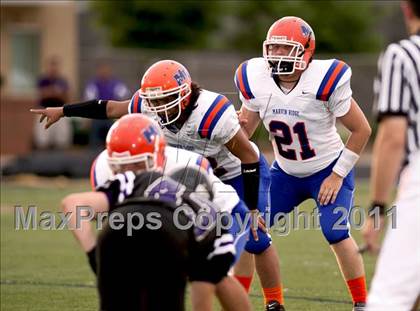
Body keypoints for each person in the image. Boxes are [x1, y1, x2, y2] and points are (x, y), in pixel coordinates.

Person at [31, 60, 284, 310]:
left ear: (184, 95)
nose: (158, 107)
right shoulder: (145, 109)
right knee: (203, 263)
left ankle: (275, 302)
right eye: (154, 101)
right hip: (189, 177)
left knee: (253, 237)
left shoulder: (212, 112)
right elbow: (109, 109)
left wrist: (252, 208)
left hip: (235, 172)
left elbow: (248, 156)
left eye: (165, 99)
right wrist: (63, 111)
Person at [235, 16, 372, 311]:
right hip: (284, 171)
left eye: (286, 49)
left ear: (306, 52)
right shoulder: (255, 78)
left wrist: (337, 176)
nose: (278, 55)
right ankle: (270, 303)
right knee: (252, 229)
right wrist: (233, 127)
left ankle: (362, 303)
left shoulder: (325, 79)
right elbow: (245, 133)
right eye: (274, 48)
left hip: (327, 168)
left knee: (335, 231)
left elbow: (362, 130)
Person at [62, 114, 252, 311]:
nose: (129, 169)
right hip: (177, 238)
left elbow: (74, 205)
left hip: (120, 237)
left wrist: (94, 253)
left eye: (137, 164)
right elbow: (204, 290)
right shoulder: (208, 218)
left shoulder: (135, 178)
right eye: (122, 165)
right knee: (214, 276)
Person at [362, 1, 420, 310]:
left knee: (389, 300)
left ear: (407, 9)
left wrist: (377, 208)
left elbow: (392, 137)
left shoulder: (402, 55)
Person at [84, 62, 129, 148]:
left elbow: (125, 96)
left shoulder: (116, 84)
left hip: (112, 116)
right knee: (95, 141)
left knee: (113, 138)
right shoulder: (93, 84)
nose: (104, 72)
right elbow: (89, 100)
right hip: (97, 116)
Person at [33, 56, 72, 149]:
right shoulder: (43, 80)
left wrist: (52, 92)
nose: (53, 68)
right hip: (44, 110)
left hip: (60, 111)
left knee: (62, 140)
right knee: (43, 139)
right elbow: (41, 95)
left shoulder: (62, 81)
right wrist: (54, 92)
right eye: (51, 66)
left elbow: (67, 97)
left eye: (55, 66)